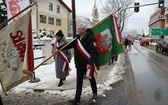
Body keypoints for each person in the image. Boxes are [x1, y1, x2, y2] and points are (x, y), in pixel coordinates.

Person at [58, 24, 98, 104]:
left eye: (79, 29)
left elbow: (94, 52)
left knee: (91, 79)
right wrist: (58, 49)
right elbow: (68, 45)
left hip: (87, 65)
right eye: (77, 29)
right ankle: (77, 98)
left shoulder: (90, 38)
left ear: (84, 30)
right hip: (79, 64)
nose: (77, 30)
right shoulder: (77, 39)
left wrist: (90, 63)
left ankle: (94, 93)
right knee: (79, 82)